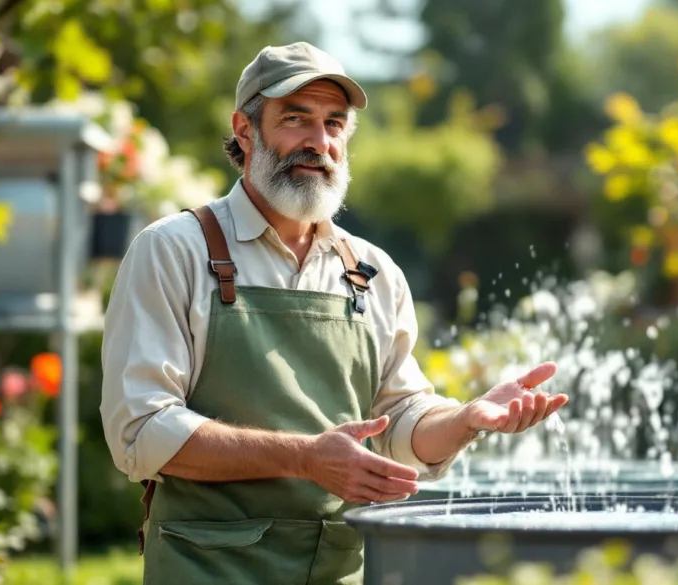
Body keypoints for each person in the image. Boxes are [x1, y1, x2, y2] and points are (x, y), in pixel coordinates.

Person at [100, 41, 568, 585]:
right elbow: (141, 430)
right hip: (207, 567)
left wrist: (463, 421)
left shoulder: (372, 270)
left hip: (336, 568)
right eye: (295, 119)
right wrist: (305, 458)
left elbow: (399, 424)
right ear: (245, 130)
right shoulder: (175, 250)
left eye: (334, 123)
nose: (317, 142)